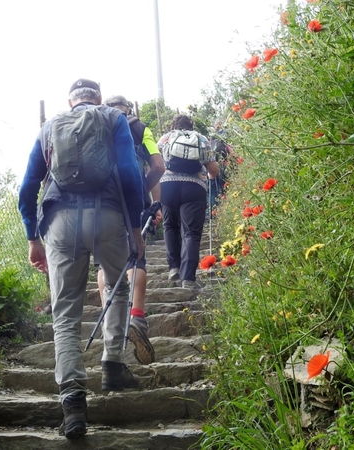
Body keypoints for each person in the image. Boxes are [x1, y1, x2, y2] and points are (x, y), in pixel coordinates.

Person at [18, 79, 146, 439]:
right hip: (107, 217)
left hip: (61, 222)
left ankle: (73, 401)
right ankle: (112, 366)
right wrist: (135, 228)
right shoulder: (112, 119)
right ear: (99, 99)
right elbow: (129, 173)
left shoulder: (49, 128)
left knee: (65, 312)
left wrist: (32, 237)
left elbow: (28, 186)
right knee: (118, 289)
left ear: (70, 101)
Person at [96, 94, 165, 365]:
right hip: (131, 200)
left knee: (104, 263)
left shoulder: (94, 124)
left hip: (100, 202)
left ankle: (109, 317)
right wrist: (146, 194)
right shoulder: (139, 127)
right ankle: (136, 317)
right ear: (128, 108)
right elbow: (159, 165)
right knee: (136, 257)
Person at [157, 114, 219, 290]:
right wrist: (207, 176)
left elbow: (155, 164)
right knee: (191, 233)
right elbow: (213, 169)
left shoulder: (165, 138)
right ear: (191, 126)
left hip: (167, 186)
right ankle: (188, 278)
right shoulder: (201, 139)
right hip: (194, 187)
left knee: (170, 226)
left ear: (172, 126)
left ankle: (174, 267)